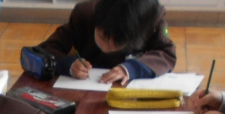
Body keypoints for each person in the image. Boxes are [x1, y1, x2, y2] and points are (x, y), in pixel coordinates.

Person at [36, 0, 176, 86]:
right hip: (83, 86)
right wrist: (69, 64)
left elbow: (166, 53)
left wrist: (131, 69)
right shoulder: (84, 14)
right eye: (102, 37)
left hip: (128, 91)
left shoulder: (151, 18)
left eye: (118, 42)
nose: (107, 46)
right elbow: (45, 50)